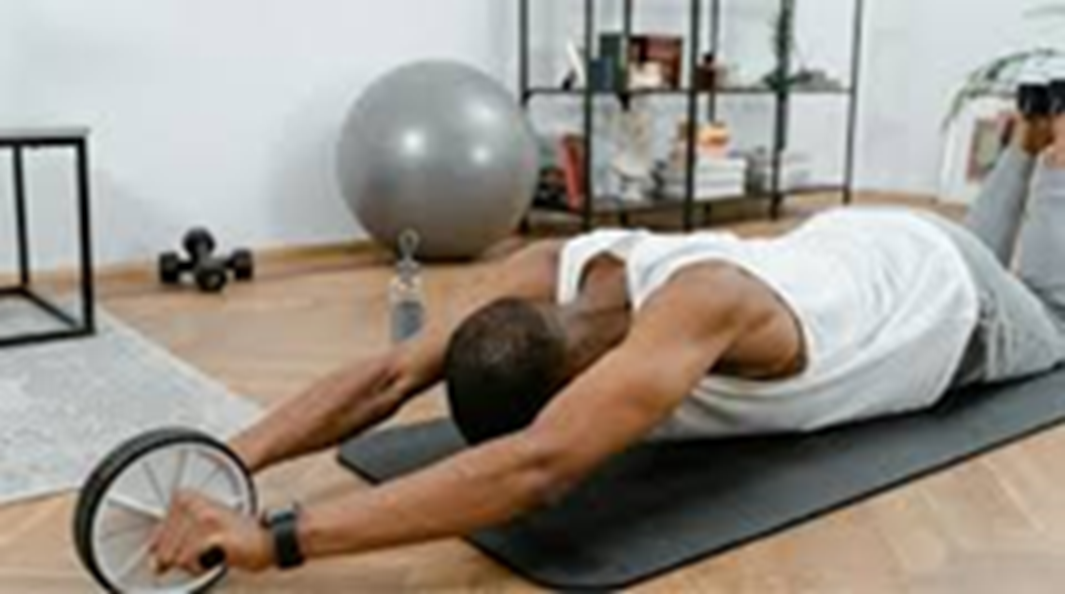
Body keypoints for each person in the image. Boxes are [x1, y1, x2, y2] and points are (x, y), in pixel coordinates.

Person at [149, 106, 1065, 577]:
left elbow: (535, 468)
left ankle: (1052, 156)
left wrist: (280, 540)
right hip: (866, 239)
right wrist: (222, 458)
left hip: (959, 310)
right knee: (980, 248)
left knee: (1049, 315)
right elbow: (392, 373)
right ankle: (1025, 140)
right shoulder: (557, 265)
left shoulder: (702, 308)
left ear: (569, 390)